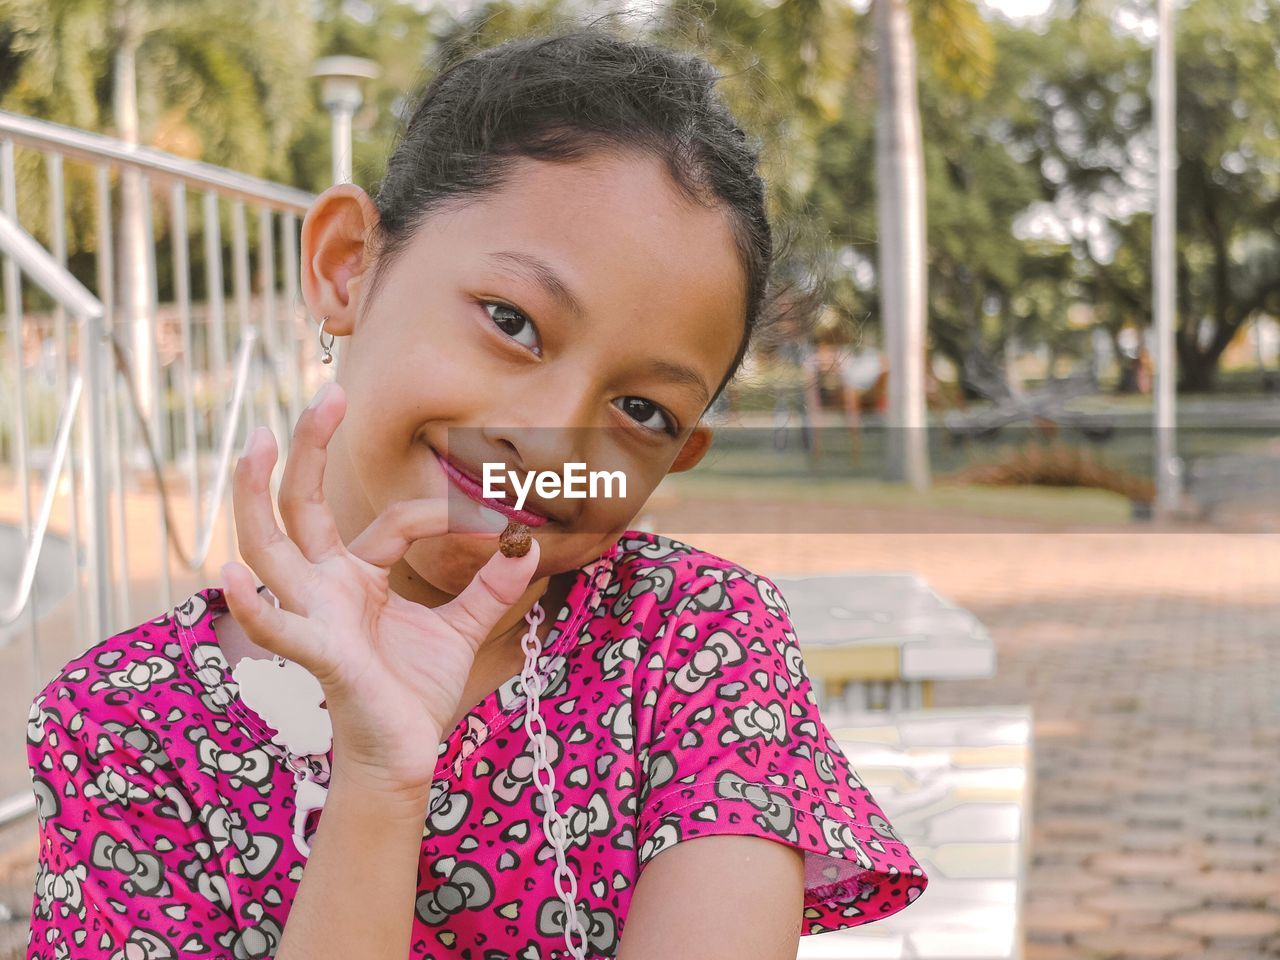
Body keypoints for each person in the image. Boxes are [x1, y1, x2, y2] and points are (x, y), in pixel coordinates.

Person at [24, 29, 928, 960]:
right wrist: (378, 782)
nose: (547, 438)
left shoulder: (692, 647)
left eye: (639, 410)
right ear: (347, 266)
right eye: (513, 323)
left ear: (678, 457)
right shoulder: (125, 725)